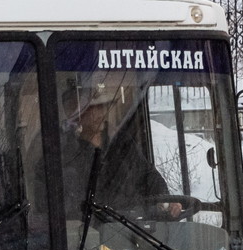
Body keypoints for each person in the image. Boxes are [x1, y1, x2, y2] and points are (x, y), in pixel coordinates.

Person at [60, 83, 178, 218]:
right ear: (78, 114)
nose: (100, 113)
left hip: (132, 226)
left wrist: (166, 199)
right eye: (92, 108)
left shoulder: (122, 143)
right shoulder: (67, 152)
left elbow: (147, 174)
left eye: (102, 107)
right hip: (92, 230)